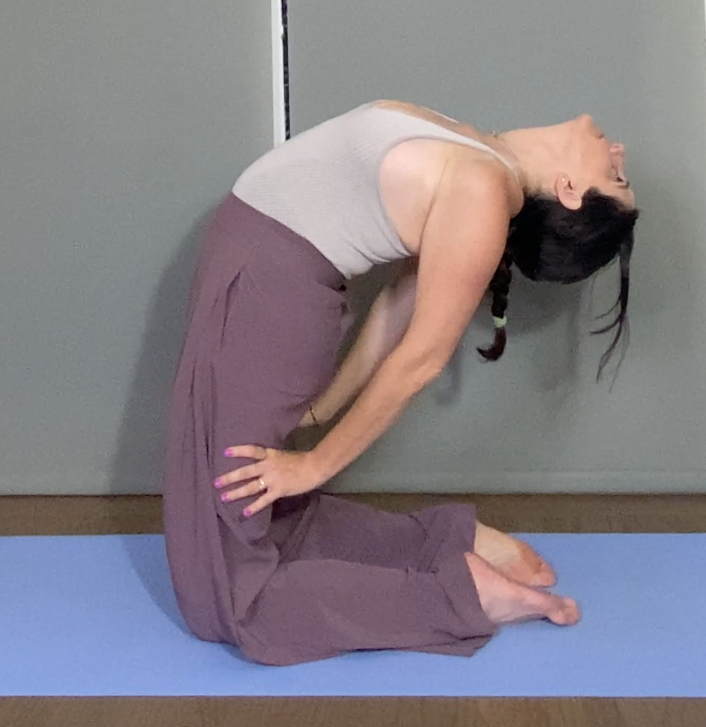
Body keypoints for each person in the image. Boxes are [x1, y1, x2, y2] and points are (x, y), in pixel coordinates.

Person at [161, 99, 639, 666]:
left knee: (225, 600)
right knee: (264, 513)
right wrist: (322, 409)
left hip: (263, 293)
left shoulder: (483, 190)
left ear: (569, 190)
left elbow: (420, 359)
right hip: (261, 282)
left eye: (616, 176)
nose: (618, 152)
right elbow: (396, 304)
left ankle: (462, 598)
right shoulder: (482, 156)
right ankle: (449, 543)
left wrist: (315, 464)